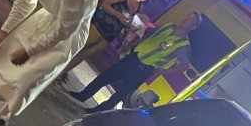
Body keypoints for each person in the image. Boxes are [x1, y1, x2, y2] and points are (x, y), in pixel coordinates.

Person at [68, 12, 203, 113]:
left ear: (193, 27)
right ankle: (83, 95)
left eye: (190, 20)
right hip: (134, 57)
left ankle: (97, 112)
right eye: (187, 16)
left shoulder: (183, 45)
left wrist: (161, 71)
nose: (186, 19)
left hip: (144, 69)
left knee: (121, 93)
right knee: (105, 76)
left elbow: (184, 66)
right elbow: (149, 35)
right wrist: (132, 45)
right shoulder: (169, 26)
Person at [59, 0, 158, 79]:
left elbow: (127, 20)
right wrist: (119, 15)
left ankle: (61, 73)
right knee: (75, 49)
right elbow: (104, 4)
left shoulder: (140, 6)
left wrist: (129, 27)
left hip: (108, 37)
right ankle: (56, 67)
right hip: (98, 25)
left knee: (83, 56)